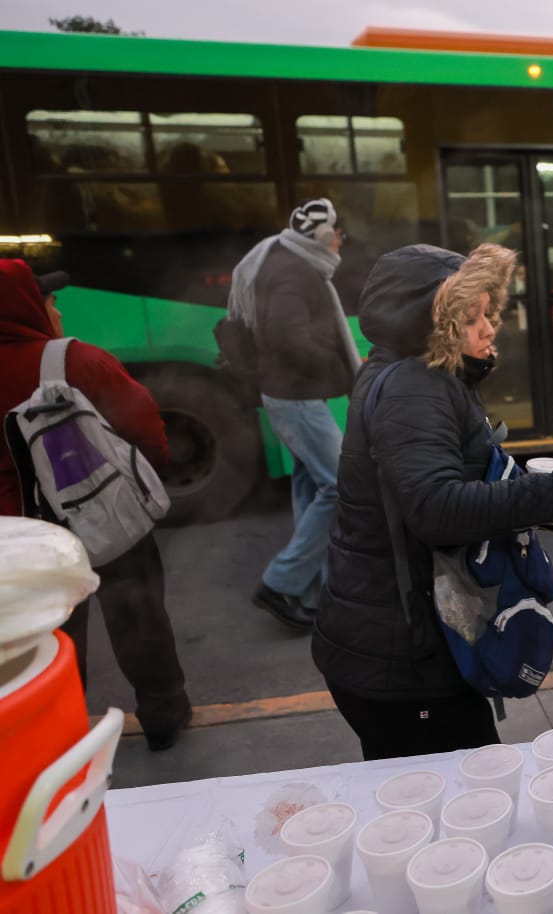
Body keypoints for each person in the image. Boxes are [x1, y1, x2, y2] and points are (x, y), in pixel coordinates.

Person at [312, 243, 553, 760]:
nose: (490, 328)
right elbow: (437, 509)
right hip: (403, 662)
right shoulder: (413, 386)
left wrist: (541, 501)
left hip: (397, 645)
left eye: (489, 312)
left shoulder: (421, 373)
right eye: (472, 318)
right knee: (453, 802)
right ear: (432, 322)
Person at [0, 260, 192, 750]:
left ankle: (58, 735)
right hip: (99, 519)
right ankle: (164, 716)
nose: (57, 309)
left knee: (49, 638)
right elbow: (144, 429)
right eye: (48, 299)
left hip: (17, 546)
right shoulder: (77, 362)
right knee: (139, 616)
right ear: (27, 306)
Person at [228, 199, 360, 631]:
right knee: (340, 486)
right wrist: (337, 363)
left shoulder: (290, 261)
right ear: (322, 236)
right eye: (338, 232)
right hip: (297, 396)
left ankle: (310, 590)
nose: (342, 240)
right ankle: (281, 584)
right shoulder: (293, 270)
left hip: (295, 395)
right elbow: (290, 338)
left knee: (311, 486)